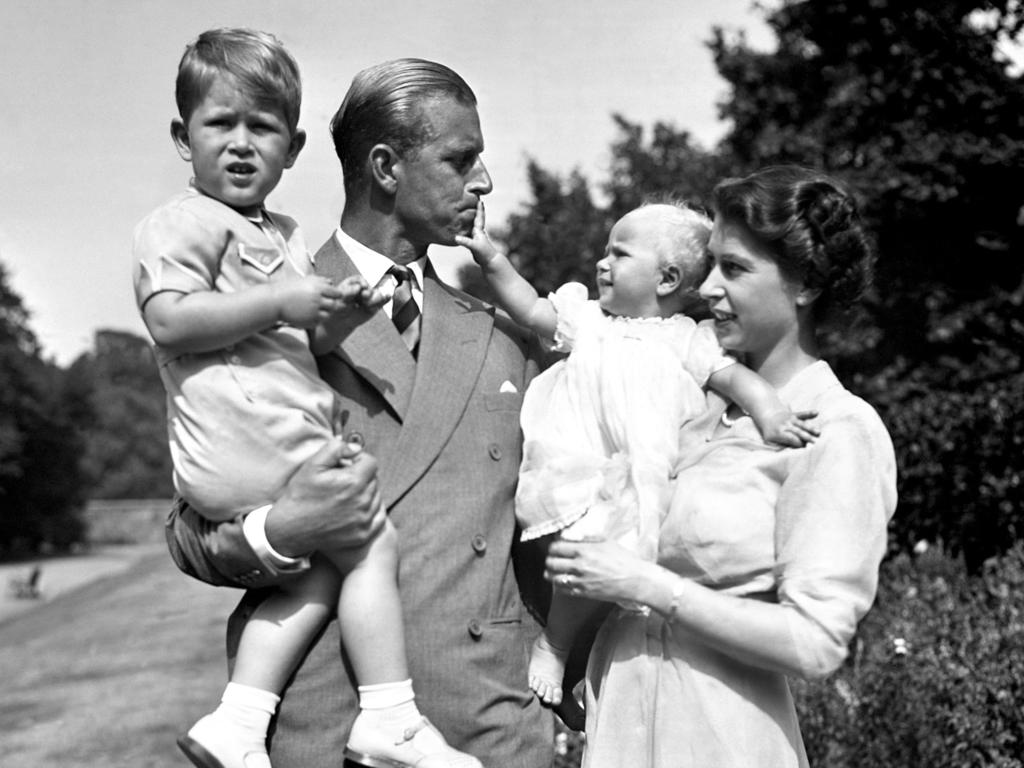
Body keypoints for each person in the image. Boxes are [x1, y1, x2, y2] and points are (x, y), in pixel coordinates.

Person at [162, 57, 555, 768]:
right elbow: (189, 531)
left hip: (488, 730)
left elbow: (550, 525)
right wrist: (282, 531)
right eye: (461, 159)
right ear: (384, 167)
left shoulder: (504, 336)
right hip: (322, 734)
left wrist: (559, 661)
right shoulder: (258, 314)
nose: (485, 182)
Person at [544, 166, 898, 767]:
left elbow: (814, 643)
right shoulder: (681, 397)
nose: (706, 289)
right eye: (708, 266)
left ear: (805, 284)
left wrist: (647, 587)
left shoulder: (838, 429)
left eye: (733, 269)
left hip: (724, 738)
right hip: (620, 727)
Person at [456, 200, 817, 708]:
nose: (602, 263)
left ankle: (585, 667)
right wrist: (491, 258)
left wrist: (771, 410)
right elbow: (532, 309)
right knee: (583, 554)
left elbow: (735, 379)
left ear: (667, 279)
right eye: (605, 252)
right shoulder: (589, 321)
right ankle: (554, 645)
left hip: (644, 480)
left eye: (619, 254)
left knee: (620, 577)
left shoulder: (689, 340)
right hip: (579, 467)